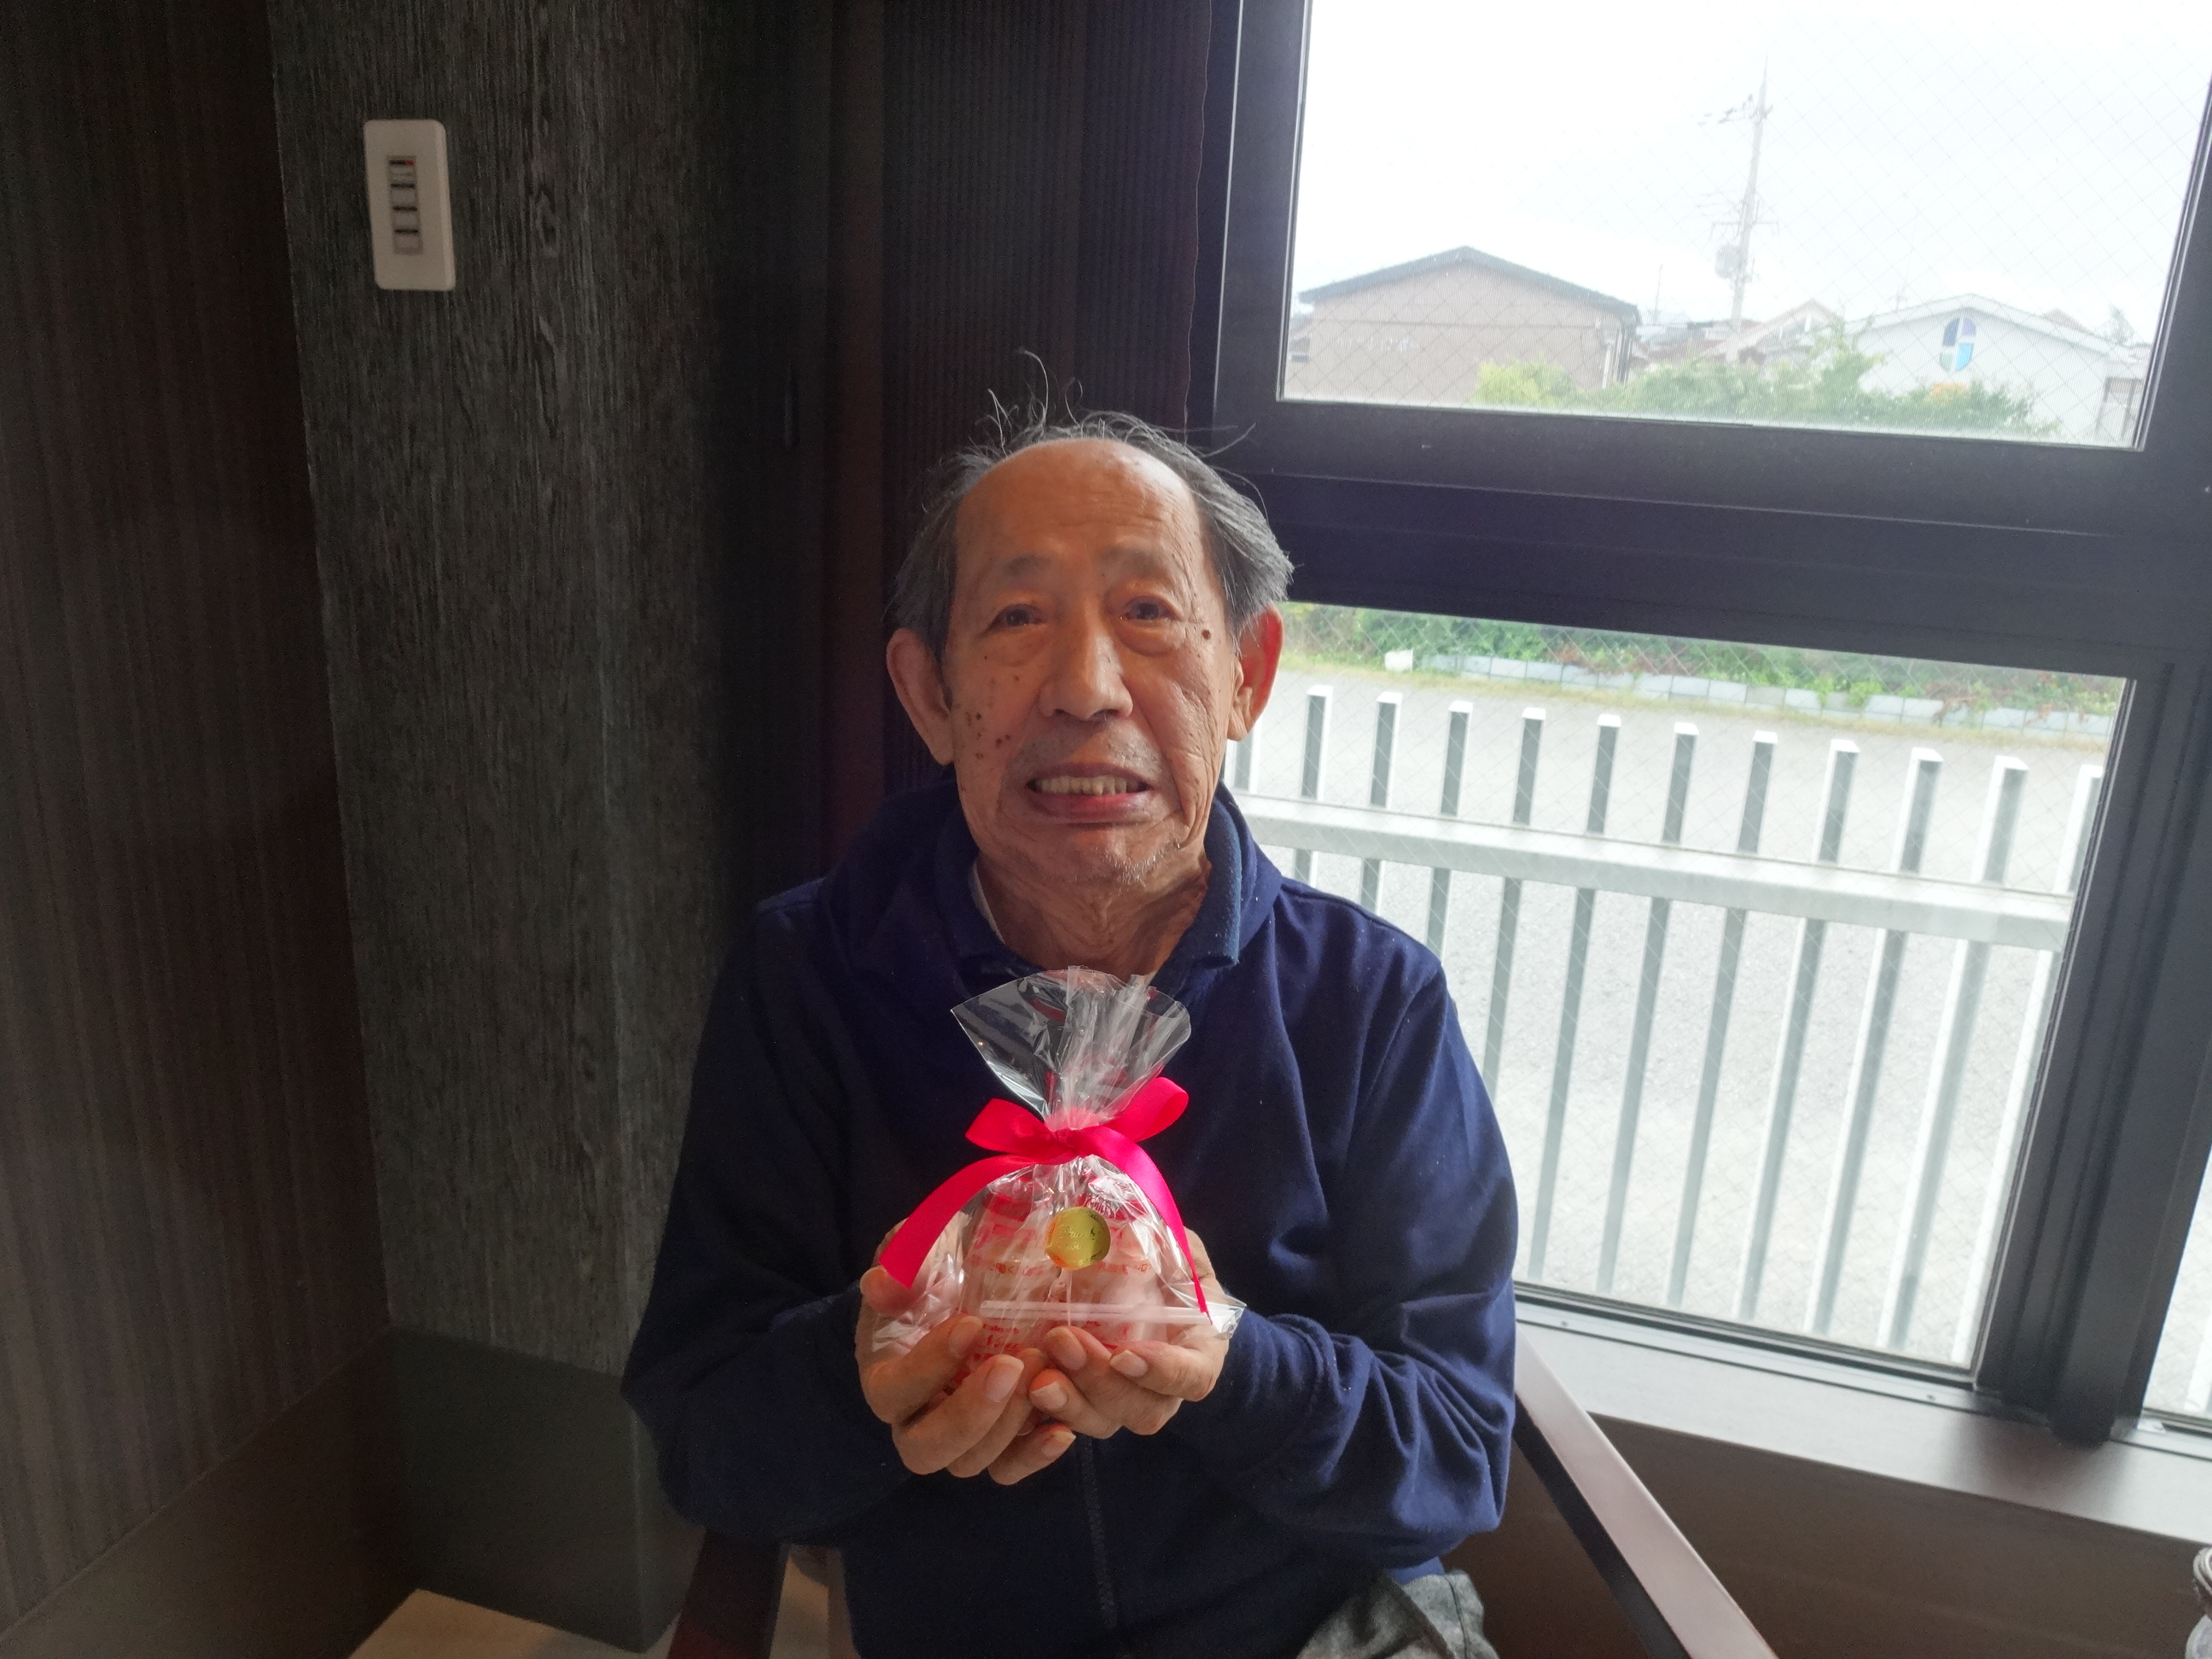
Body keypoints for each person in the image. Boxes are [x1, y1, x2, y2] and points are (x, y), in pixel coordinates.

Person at [623, 405, 1517, 1659]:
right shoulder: (809, 977)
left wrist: (1228, 1362)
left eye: (1149, 612)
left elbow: (1455, 1459)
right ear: (930, 695)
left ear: (1247, 674)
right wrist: (862, 1375)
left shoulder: (1370, 1002)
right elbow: (704, 1433)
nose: (1087, 688)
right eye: (1015, 618)